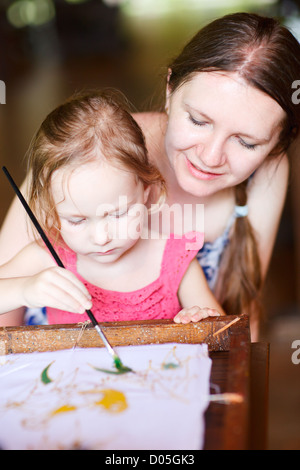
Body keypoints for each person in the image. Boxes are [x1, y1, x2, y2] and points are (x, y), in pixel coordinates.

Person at [1, 13, 300, 339]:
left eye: (246, 142)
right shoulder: (89, 154)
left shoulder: (266, 172)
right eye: (199, 120)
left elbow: (245, 306)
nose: (210, 157)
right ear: (170, 90)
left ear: (275, 144)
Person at [0, 90, 224, 326]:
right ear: (52, 210)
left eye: (118, 214)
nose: (101, 238)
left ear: (147, 191)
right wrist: (24, 289)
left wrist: (202, 318)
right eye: (77, 220)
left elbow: (224, 330)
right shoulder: (48, 257)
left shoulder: (176, 259)